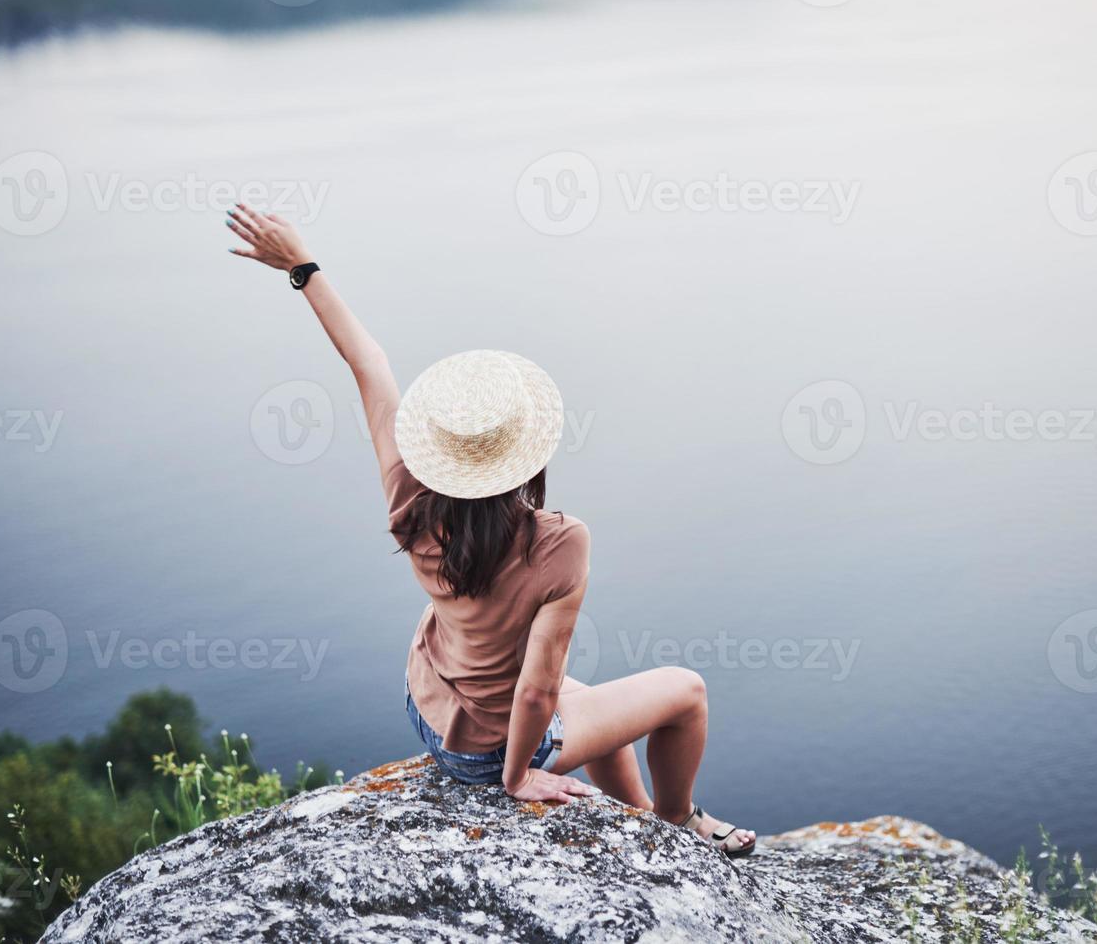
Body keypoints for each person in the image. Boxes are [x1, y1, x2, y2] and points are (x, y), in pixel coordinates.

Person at [225, 205, 755, 857]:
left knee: (599, 706)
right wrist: (517, 777)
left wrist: (303, 268)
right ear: (525, 456)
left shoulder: (409, 494)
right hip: (490, 754)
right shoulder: (559, 544)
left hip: (428, 710)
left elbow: (368, 363)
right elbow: (534, 689)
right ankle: (677, 826)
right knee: (686, 693)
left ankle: (639, 817)